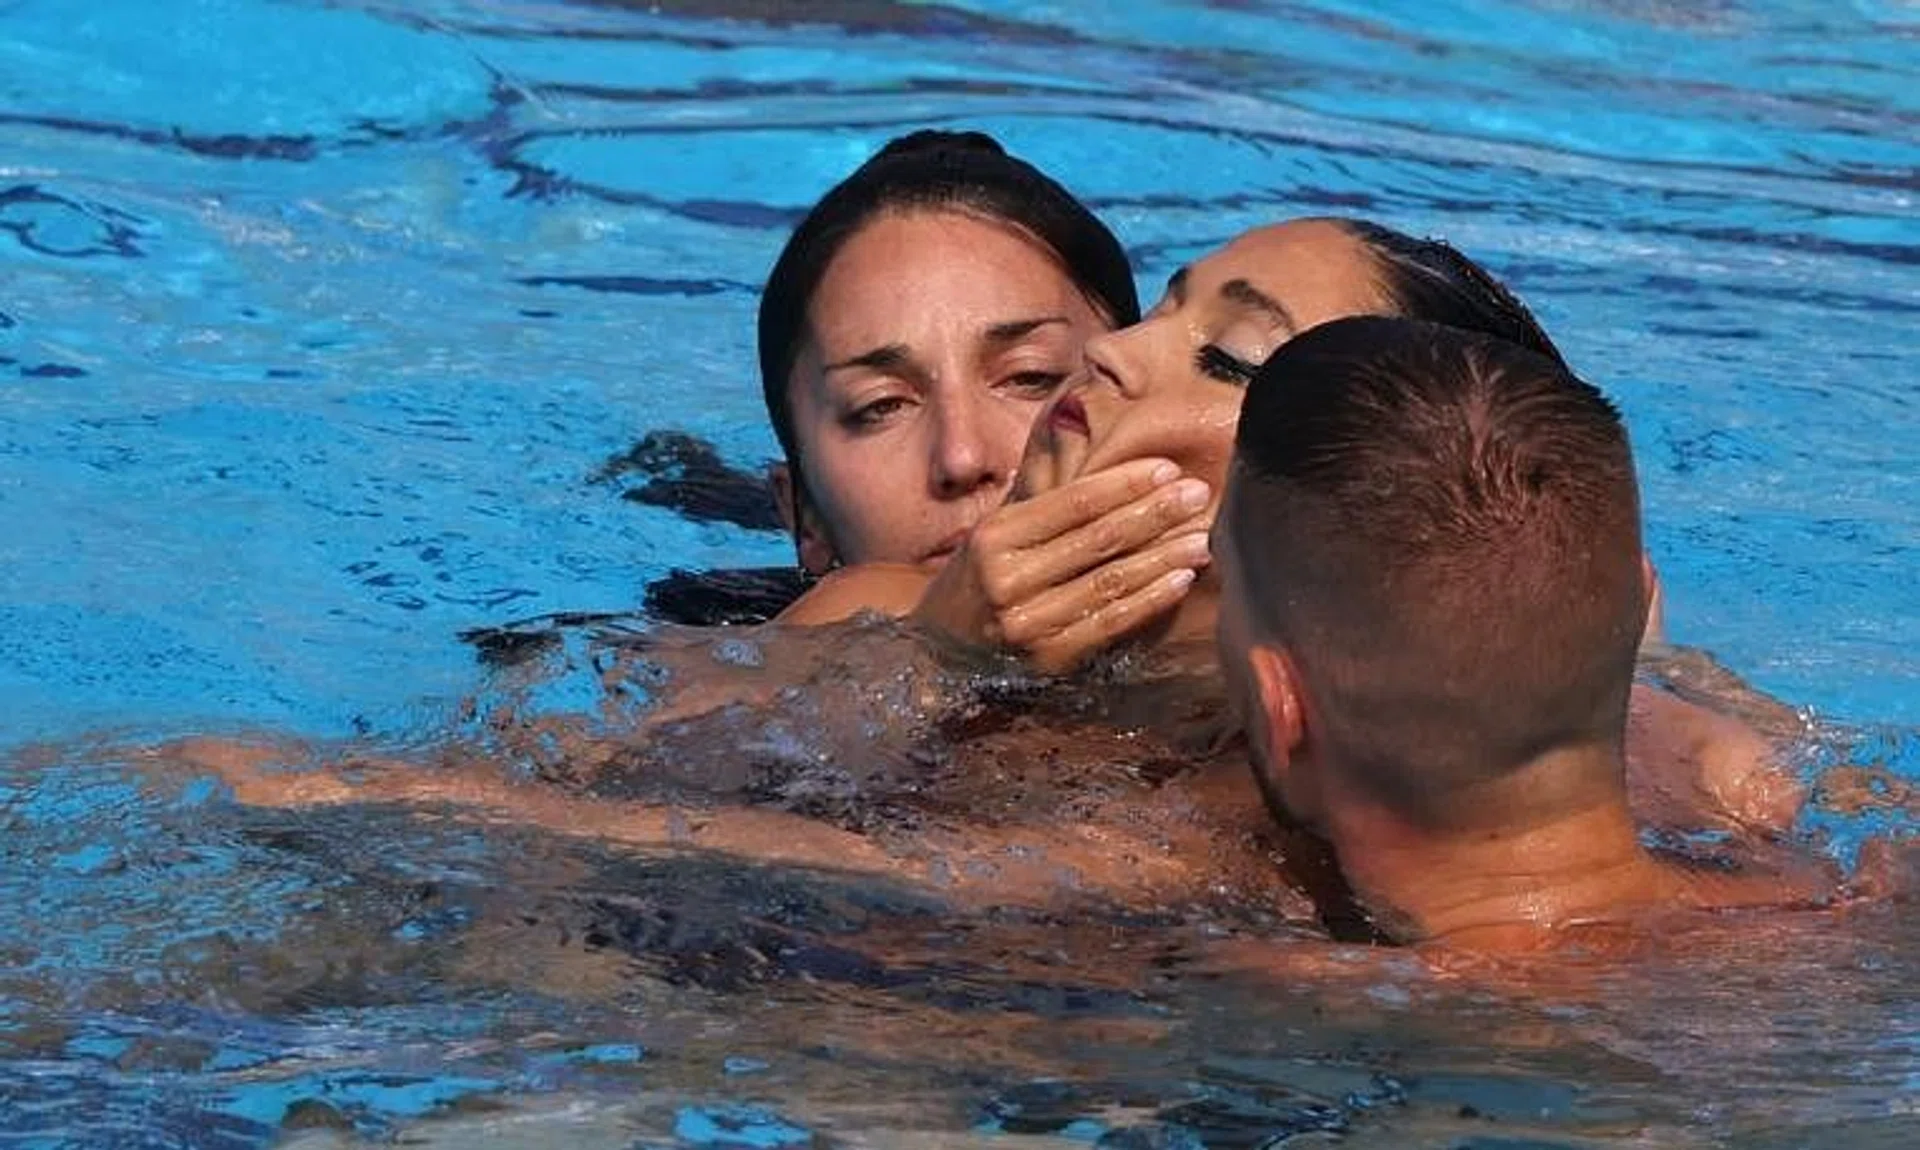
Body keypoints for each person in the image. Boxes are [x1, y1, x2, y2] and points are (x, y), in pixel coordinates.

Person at [778, 217, 1802, 832]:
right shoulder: (880, 616)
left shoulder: (1654, 755)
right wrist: (941, 663)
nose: (1116, 352)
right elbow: (647, 794)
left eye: (1228, 358)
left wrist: (1640, 689)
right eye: (1163, 311)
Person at [1211, 316, 1832, 951]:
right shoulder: (1844, 906)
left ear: (1280, 706)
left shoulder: (1262, 986)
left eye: (1222, 584)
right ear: (1639, 610)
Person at [757, 129, 1144, 576]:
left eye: (1028, 376)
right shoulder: (710, 641)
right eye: (882, 405)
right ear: (805, 517)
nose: (962, 459)